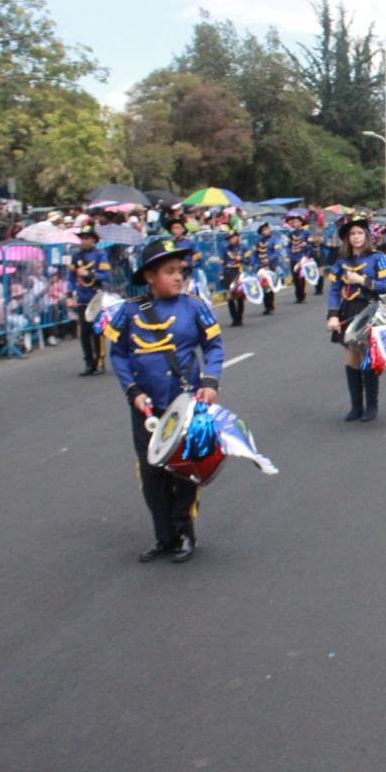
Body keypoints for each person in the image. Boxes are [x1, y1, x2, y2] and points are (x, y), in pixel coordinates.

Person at [105, 239, 224, 563]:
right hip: (147, 410)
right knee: (151, 472)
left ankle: (184, 532)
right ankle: (163, 536)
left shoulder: (195, 307)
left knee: (185, 471)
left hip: (186, 405)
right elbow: (117, 355)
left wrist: (210, 381)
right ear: (149, 277)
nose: (178, 277)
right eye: (169, 272)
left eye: (180, 271)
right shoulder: (128, 312)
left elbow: (213, 347)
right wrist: (133, 391)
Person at [326, 216, 386, 422]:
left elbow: (384, 286)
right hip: (347, 311)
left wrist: (362, 280)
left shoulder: (377, 257)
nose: (356, 237)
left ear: (366, 236)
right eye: (352, 234)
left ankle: (371, 406)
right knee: (351, 358)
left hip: (368, 309)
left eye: (359, 233)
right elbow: (334, 291)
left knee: (367, 357)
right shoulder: (341, 261)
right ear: (347, 238)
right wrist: (333, 316)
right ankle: (356, 406)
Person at [67, 225, 111, 376]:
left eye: (87, 238)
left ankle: (99, 362)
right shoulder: (76, 256)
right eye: (82, 238)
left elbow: (106, 276)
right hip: (82, 298)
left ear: (93, 240)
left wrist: (89, 274)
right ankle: (88, 363)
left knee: (97, 331)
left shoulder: (100, 255)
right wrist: (68, 296)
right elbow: (71, 278)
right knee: (84, 332)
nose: (84, 241)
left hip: (96, 297)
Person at [251, 222, 284, 315]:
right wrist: (253, 264)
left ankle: (270, 305)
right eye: (264, 230)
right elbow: (255, 255)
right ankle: (267, 305)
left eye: (267, 228)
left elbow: (277, 253)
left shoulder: (275, 240)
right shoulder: (258, 242)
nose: (266, 231)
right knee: (264, 286)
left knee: (270, 286)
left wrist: (269, 259)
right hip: (261, 267)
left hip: (271, 266)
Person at [221, 229, 246, 327]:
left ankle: (239, 316)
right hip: (229, 273)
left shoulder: (244, 248)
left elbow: (250, 261)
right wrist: (220, 272)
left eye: (233, 237)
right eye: (229, 238)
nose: (231, 240)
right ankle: (234, 317)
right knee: (229, 297)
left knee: (239, 295)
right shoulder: (225, 249)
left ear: (237, 237)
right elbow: (221, 261)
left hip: (239, 273)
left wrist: (242, 260)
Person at [287, 214, 314, 304]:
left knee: (301, 277)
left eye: (296, 221)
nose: (294, 223)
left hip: (302, 257)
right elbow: (288, 246)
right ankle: (298, 295)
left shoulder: (307, 233)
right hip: (293, 257)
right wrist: (288, 255)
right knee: (295, 277)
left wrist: (306, 246)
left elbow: (311, 246)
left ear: (301, 222)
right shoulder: (291, 234)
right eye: (293, 222)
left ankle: (302, 295)